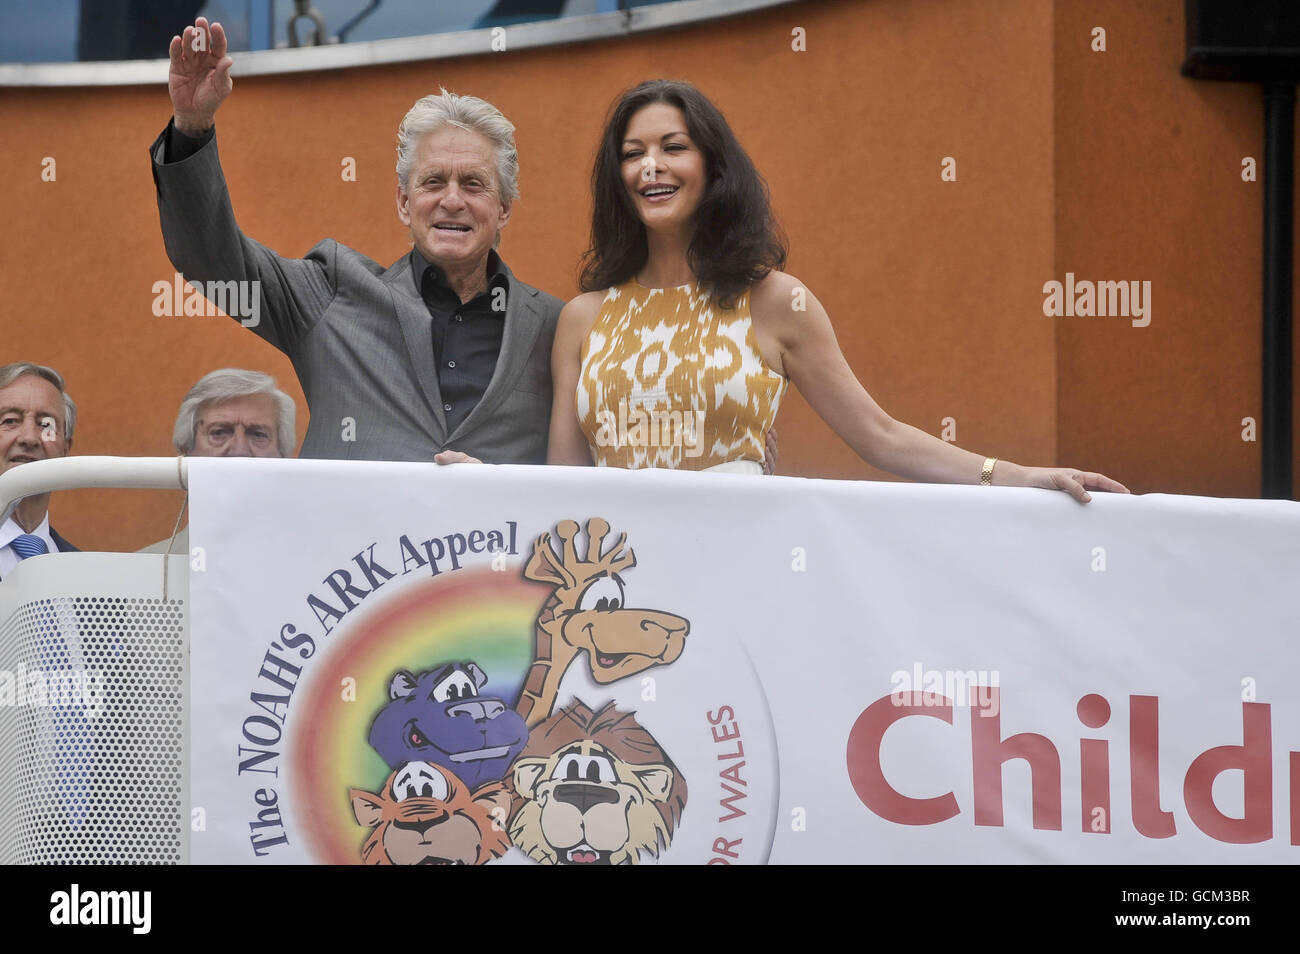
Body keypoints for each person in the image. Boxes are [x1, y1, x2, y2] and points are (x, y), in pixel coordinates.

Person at [548, 80, 1129, 502]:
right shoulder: (583, 317)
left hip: (739, 566)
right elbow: (559, 488)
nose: (651, 166)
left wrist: (1020, 476)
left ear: (712, 168)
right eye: (633, 154)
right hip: (621, 579)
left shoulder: (776, 302)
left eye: (673, 147)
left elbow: (880, 436)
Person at [151, 17, 560, 465]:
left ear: (505, 208)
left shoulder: (554, 328)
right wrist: (192, 126)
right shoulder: (332, 294)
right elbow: (212, 261)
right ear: (404, 203)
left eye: (474, 184)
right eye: (433, 182)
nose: (452, 200)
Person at [141, 368, 297, 554]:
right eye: (219, 432)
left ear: (283, 456)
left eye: (257, 434)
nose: (240, 450)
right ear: (186, 452)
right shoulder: (142, 571)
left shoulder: (320, 570)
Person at [0, 362, 78, 579]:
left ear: (65, 449)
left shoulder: (94, 577)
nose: (29, 438)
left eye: (46, 425)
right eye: (10, 421)